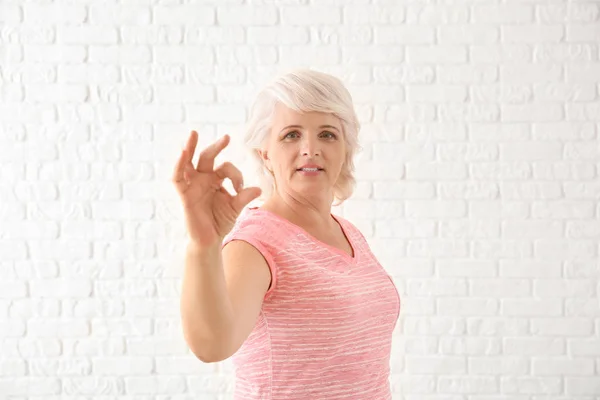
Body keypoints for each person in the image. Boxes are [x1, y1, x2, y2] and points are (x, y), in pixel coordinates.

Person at [172, 69, 400, 399]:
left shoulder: (349, 233)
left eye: (327, 134)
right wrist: (204, 244)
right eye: (291, 135)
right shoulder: (256, 244)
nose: (310, 148)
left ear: (345, 148)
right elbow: (212, 344)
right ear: (265, 151)